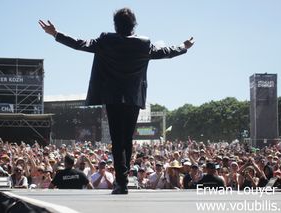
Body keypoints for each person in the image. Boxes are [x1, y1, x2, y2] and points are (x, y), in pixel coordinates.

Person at [39, 7, 194, 194]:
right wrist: (183, 47)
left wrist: (56, 33)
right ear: (134, 25)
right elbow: (166, 52)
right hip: (133, 98)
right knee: (126, 139)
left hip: (112, 97)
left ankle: (121, 181)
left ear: (115, 25)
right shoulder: (144, 44)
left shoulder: (106, 40)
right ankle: (123, 179)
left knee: (118, 140)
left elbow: (81, 44)